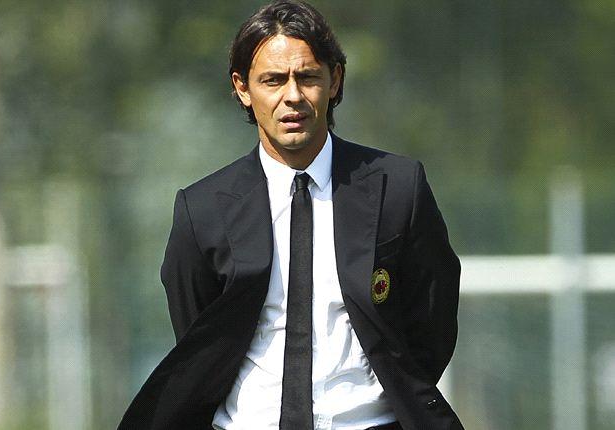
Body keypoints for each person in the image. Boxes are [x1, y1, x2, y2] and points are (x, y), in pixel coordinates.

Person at [118, 1, 463, 429]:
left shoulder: (398, 188)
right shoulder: (202, 209)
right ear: (243, 88)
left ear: (335, 80)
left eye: (308, 77)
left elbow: (433, 324)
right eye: (273, 80)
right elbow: (199, 342)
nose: (293, 96)